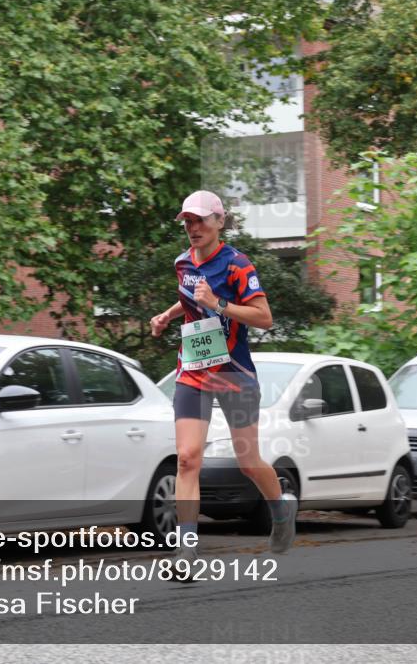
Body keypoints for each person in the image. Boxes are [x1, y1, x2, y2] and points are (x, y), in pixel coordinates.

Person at [150, 190, 298, 579]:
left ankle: (281, 512)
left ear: (219, 221)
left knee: (248, 462)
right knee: (187, 458)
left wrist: (218, 304)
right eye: (187, 222)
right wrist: (167, 315)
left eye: (199, 220)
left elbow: (264, 318)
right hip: (194, 372)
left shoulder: (237, 265)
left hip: (234, 375)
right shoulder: (182, 262)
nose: (192, 228)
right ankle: (186, 551)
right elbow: (190, 297)